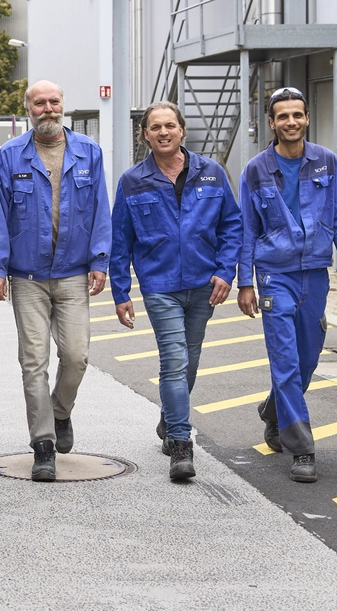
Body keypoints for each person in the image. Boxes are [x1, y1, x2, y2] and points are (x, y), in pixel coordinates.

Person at [0, 79, 111, 482]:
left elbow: (100, 211)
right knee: (33, 361)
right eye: (39, 103)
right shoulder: (10, 155)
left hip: (74, 272)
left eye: (54, 101)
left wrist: (100, 260)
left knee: (76, 356)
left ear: (63, 105)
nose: (47, 109)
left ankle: (60, 411)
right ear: (28, 109)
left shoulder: (88, 152)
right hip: (27, 276)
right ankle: (43, 444)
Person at [111, 101, 242, 482]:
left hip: (204, 284)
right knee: (174, 359)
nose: (164, 132)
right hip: (160, 285)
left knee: (192, 360)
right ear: (146, 135)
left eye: (170, 125)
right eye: (156, 127)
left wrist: (225, 271)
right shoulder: (133, 181)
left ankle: (169, 418)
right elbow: (121, 241)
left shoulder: (212, 173)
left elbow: (232, 225)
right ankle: (181, 444)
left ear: (182, 130)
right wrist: (122, 293)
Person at [238, 86, 337, 484]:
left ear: (307, 119)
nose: (291, 122)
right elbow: (246, 229)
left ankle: (274, 410)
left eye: (297, 115)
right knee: (286, 360)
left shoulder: (326, 161)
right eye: (283, 116)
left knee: (308, 359)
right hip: (274, 273)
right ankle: (301, 447)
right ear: (271, 123)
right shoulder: (256, 169)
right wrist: (245, 282)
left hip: (315, 272)